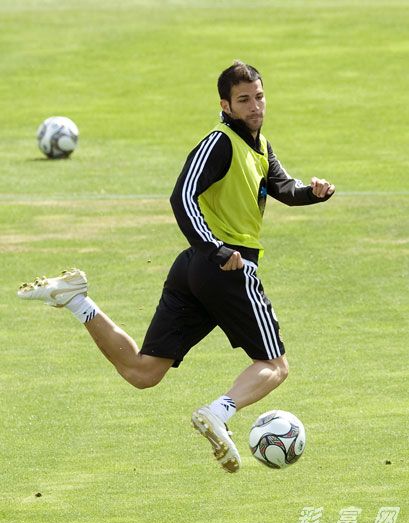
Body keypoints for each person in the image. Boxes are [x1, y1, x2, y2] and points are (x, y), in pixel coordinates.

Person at [18, 61, 335, 473]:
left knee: (143, 372)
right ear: (225, 105)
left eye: (259, 96)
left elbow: (283, 187)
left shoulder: (259, 146)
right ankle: (218, 413)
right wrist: (216, 250)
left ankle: (76, 299)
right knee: (274, 366)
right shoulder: (219, 143)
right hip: (225, 267)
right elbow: (182, 196)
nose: (255, 106)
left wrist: (312, 193)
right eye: (243, 100)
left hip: (195, 270)